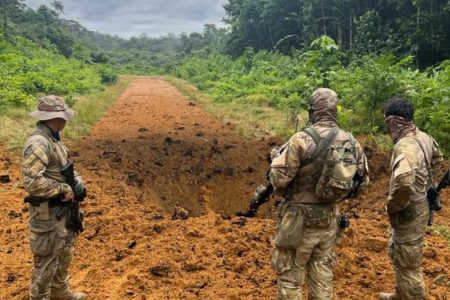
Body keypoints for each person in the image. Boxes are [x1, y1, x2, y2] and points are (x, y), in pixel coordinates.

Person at [269, 88, 369, 299]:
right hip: (329, 219)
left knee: (291, 276)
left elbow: (278, 179)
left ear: (312, 111)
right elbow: (362, 183)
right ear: (335, 111)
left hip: (298, 221)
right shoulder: (351, 141)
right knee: (322, 273)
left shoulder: (301, 139)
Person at [23, 95, 87, 300]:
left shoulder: (54, 139)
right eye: (64, 118)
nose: (66, 121)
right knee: (46, 260)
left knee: (64, 252)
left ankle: (60, 292)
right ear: (57, 119)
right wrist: (62, 189)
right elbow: (32, 182)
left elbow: (62, 167)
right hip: (47, 212)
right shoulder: (38, 143)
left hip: (63, 211)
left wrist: (76, 183)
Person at [379, 97, 443, 300]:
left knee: (407, 260)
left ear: (392, 122)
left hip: (409, 209)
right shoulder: (424, 137)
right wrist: (424, 183)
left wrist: (393, 206)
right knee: (401, 252)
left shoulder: (404, 147)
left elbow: (404, 182)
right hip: (421, 204)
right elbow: (437, 158)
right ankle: (402, 293)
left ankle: (413, 296)